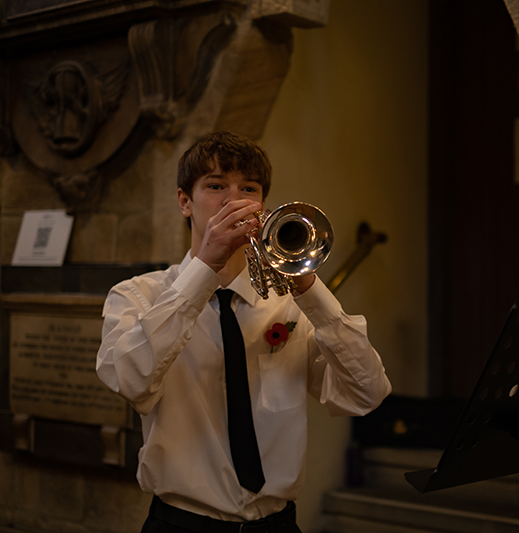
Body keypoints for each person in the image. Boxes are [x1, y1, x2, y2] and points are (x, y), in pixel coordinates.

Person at [96, 131, 392, 532]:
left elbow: (367, 394)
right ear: (185, 201)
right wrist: (203, 270)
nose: (232, 200)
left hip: (277, 525)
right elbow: (130, 379)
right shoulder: (137, 295)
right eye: (216, 185)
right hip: (181, 525)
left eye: (247, 188)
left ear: (262, 206)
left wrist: (307, 286)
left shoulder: (289, 306)